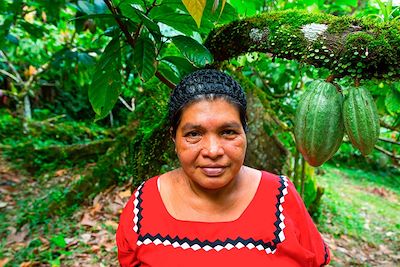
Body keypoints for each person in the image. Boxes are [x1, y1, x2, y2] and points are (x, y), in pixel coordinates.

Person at [116, 69, 330, 267]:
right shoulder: (143, 204)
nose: (213, 150)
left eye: (228, 132)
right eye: (193, 134)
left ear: (245, 133)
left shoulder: (282, 198)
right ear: (174, 137)